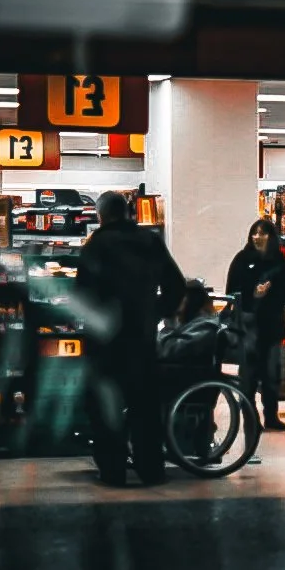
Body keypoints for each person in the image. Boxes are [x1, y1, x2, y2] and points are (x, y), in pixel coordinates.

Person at [76, 191, 186, 486]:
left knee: (106, 409)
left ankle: (113, 471)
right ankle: (151, 469)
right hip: (142, 340)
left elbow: (82, 294)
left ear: (100, 216)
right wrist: (156, 313)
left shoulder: (95, 245)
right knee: (146, 410)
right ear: (127, 212)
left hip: (106, 344)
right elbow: (176, 286)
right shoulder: (150, 241)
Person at [225, 218, 285, 430]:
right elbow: (232, 292)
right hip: (248, 326)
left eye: (262, 233)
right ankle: (249, 416)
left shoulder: (279, 260)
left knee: (272, 373)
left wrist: (270, 294)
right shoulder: (242, 259)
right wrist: (253, 294)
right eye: (254, 233)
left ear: (271, 237)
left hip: (272, 325)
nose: (257, 237)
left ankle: (271, 416)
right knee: (249, 373)